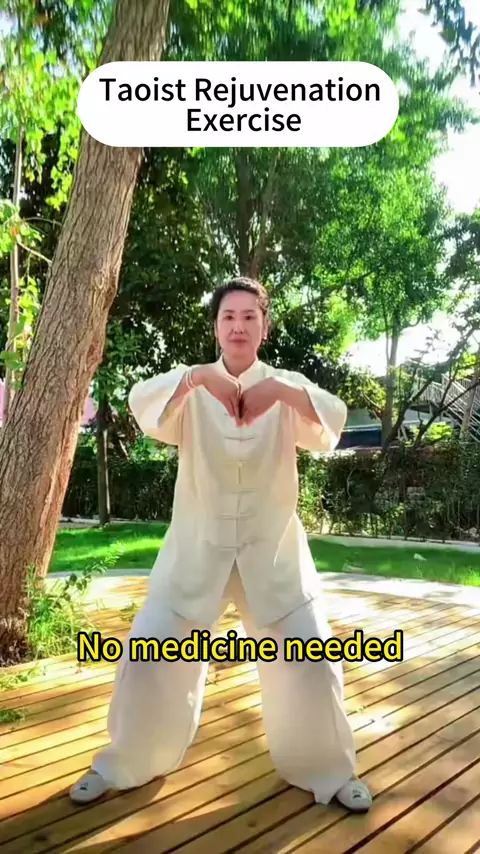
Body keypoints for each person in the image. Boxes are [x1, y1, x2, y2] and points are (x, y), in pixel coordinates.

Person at [69, 277, 372, 813]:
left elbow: (331, 422)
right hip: (195, 554)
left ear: (264, 327)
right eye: (228, 316)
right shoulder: (191, 387)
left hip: (273, 559)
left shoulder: (286, 387)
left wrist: (279, 392)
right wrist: (197, 377)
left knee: (313, 662)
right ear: (216, 326)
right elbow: (143, 403)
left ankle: (330, 772)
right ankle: (122, 764)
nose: (238, 326)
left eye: (250, 317)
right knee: (147, 656)